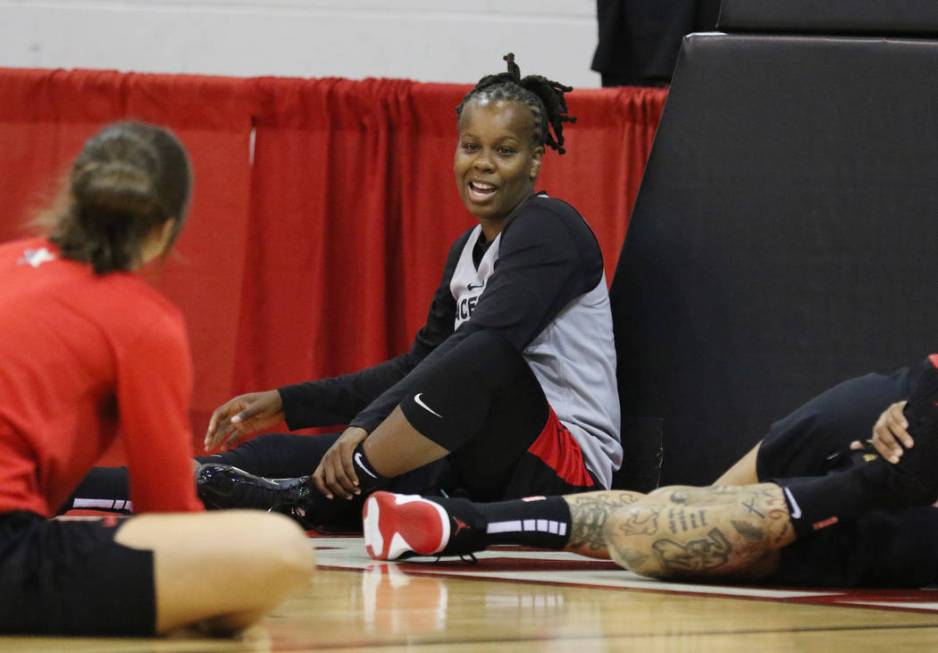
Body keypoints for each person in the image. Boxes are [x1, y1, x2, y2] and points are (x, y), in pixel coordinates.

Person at [67, 54, 623, 530]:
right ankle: (68, 487)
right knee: (260, 460)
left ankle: (310, 501)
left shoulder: (550, 230)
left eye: (504, 150)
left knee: (480, 354)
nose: (482, 163)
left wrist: (363, 431)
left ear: (534, 159)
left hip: (565, 469)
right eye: (470, 146)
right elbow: (418, 366)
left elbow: (479, 351)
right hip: (468, 459)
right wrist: (290, 404)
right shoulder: (468, 251)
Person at [0, 121, 313, 637]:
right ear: (165, 228)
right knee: (279, 551)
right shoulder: (143, 319)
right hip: (12, 560)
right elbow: (165, 512)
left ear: (71, 200)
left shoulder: (11, 261)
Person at [363, 355, 938, 588]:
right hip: (892, 418)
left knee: (659, 530)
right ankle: (458, 521)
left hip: (896, 475)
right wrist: (911, 409)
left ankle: (462, 522)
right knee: (690, 511)